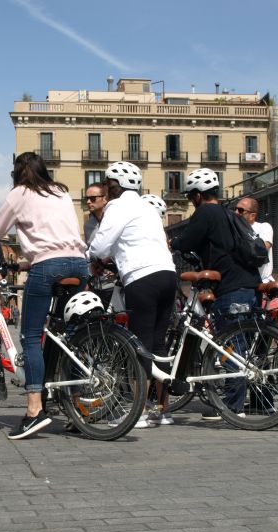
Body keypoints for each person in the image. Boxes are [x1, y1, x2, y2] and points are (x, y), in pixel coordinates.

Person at [0, 151, 88, 440]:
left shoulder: (20, 194)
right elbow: (63, 232)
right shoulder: (61, 192)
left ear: (17, 173)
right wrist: (30, 258)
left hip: (48, 267)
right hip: (78, 262)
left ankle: (34, 410)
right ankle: (76, 406)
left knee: (31, 336)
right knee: (70, 334)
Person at [89, 164, 177, 429]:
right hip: (167, 274)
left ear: (113, 185)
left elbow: (101, 244)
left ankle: (137, 413)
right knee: (158, 344)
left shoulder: (117, 207)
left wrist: (88, 257)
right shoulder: (146, 208)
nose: (105, 189)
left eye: (106, 184)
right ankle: (163, 411)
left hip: (142, 278)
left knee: (140, 346)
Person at [170, 168, 261, 420]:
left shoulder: (206, 212)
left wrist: (171, 244)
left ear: (198, 195)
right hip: (249, 284)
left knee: (231, 346)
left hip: (231, 287)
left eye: (191, 197)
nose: (191, 202)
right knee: (240, 344)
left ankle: (233, 407)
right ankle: (238, 401)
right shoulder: (226, 213)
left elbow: (187, 241)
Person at [235, 197, 273, 283]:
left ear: (252, 216)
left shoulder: (263, 227)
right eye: (235, 209)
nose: (236, 212)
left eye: (240, 210)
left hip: (262, 282)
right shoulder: (232, 230)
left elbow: (263, 248)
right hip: (240, 283)